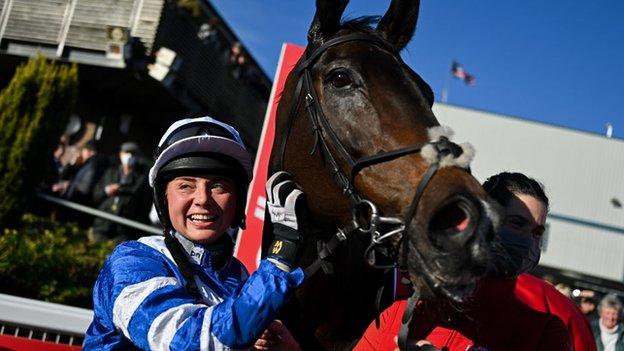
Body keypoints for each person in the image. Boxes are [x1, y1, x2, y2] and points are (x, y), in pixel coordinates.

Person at [84, 116, 307, 350]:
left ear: (238, 202)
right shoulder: (131, 262)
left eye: (218, 186)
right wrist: (281, 257)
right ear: (164, 199)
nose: (203, 199)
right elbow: (187, 343)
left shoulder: (240, 277)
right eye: (186, 185)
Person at [354, 172, 575, 351]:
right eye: (517, 223)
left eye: (537, 232)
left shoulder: (544, 334)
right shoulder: (399, 316)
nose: (528, 240)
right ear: (482, 222)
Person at [91, 141, 151, 242]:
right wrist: (106, 191)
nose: (129, 156)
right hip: (102, 225)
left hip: (122, 232)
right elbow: (95, 195)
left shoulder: (141, 179)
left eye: (133, 154)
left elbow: (143, 208)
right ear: (120, 154)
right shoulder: (110, 173)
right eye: (126, 153)